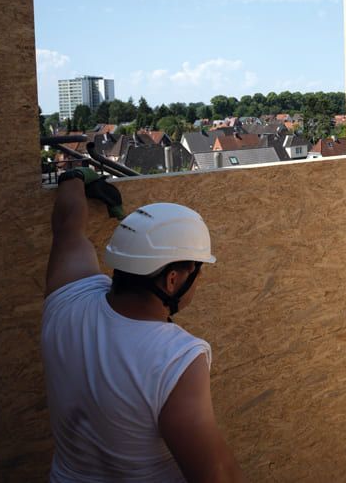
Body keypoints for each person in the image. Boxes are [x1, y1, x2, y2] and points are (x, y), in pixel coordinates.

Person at [42, 167, 245, 482]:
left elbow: (68, 228)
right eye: (198, 272)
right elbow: (216, 475)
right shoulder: (176, 359)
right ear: (173, 279)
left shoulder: (68, 297)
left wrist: (75, 177)